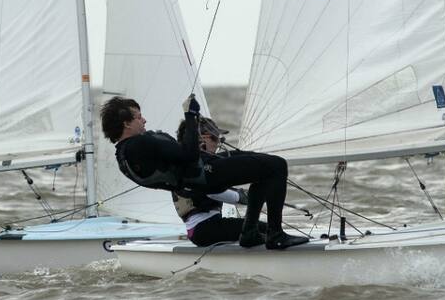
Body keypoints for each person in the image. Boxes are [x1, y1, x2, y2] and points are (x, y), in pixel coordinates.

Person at [101, 95, 308, 250]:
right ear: (126, 123)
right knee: (277, 166)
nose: (144, 120)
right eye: (138, 117)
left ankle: (252, 232)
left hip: (200, 178)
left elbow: (180, 163)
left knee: (264, 166)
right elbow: (190, 155)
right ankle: (273, 235)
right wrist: (190, 116)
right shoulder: (141, 144)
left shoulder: (123, 158)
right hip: (208, 175)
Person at [169, 115, 267, 247]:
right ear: (201, 139)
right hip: (203, 229)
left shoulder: (200, 162)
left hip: (207, 227)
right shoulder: (191, 165)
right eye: (215, 138)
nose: (218, 144)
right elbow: (210, 191)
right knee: (265, 229)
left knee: (259, 227)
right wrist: (240, 197)